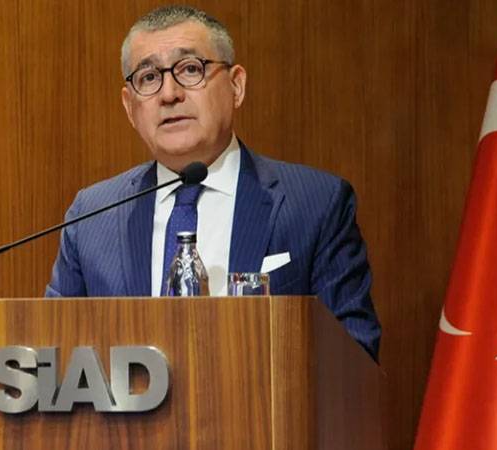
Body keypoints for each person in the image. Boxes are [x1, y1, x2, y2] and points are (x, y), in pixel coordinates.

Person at [45, 5, 381, 360]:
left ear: (236, 86)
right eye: (148, 77)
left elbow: (353, 359)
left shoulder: (316, 204)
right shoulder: (92, 217)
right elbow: (56, 358)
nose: (169, 94)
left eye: (190, 69)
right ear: (130, 107)